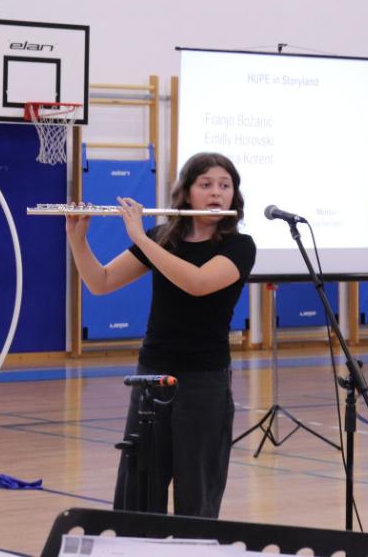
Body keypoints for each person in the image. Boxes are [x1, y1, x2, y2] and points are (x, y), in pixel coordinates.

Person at [65, 152, 255, 518]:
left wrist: (140, 237)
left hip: (203, 381)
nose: (216, 193)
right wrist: (78, 239)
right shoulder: (161, 238)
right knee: (138, 490)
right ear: (186, 192)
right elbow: (100, 282)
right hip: (151, 376)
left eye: (225, 185)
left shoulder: (239, 246)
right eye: (206, 184)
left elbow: (198, 283)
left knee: (196, 496)